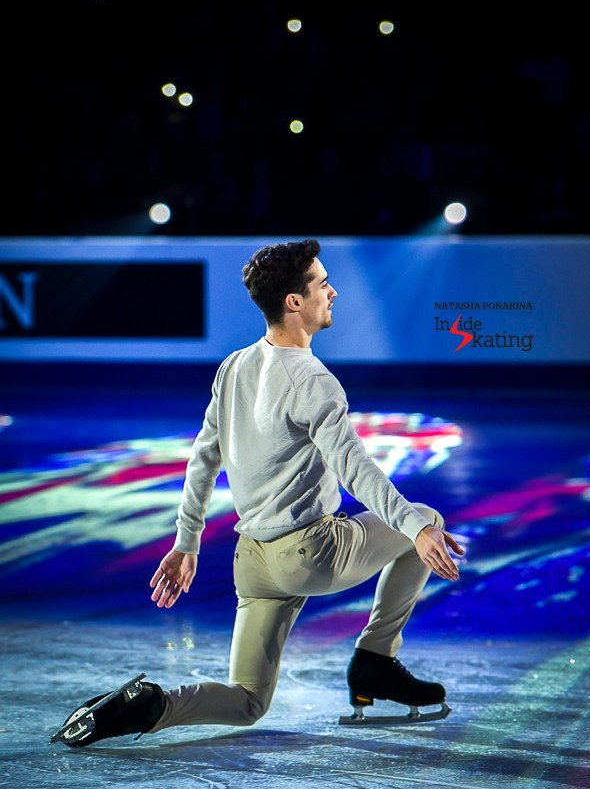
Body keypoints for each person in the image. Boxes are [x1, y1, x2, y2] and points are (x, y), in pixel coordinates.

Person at [51, 238, 464, 747]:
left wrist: (187, 542)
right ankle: (376, 659)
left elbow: (203, 458)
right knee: (426, 516)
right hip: (314, 552)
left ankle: (149, 705)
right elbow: (356, 470)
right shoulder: (314, 380)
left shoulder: (234, 366)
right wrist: (416, 529)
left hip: (254, 562)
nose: (332, 292)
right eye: (321, 283)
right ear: (294, 301)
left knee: (247, 701)